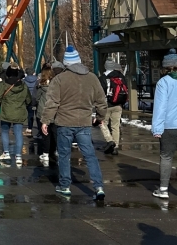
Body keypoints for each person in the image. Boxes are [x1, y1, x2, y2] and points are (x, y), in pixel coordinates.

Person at [41, 45, 107, 199]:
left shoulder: (59, 79)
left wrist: (45, 121)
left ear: (66, 63)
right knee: (90, 155)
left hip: (64, 122)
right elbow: (101, 101)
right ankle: (98, 186)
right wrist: (100, 117)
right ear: (79, 61)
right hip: (84, 122)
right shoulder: (92, 78)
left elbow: (52, 103)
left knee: (64, 155)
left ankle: (65, 185)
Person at [151, 50, 177, 199]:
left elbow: (160, 107)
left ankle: (163, 189)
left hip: (169, 126)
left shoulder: (164, 82)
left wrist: (157, 129)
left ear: (166, 67)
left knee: (166, 157)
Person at [0, 64, 32, 165]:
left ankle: (6, 152)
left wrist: (1, 105)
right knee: (18, 134)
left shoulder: (3, 85)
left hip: (6, 111)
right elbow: (28, 100)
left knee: (5, 131)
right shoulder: (23, 86)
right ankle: (18, 156)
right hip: (19, 112)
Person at [98, 68, 128, 155]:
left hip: (106, 105)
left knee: (102, 123)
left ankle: (109, 140)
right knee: (115, 126)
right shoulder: (120, 76)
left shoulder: (102, 78)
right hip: (118, 105)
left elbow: (99, 93)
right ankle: (115, 147)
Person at [35, 64, 56, 165]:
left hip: (43, 111)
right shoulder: (56, 85)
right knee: (54, 133)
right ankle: (55, 150)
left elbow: (37, 98)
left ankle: (45, 153)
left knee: (45, 134)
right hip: (54, 112)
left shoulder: (41, 86)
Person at [23, 67, 38, 135]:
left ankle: (29, 128)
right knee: (38, 115)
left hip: (28, 98)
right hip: (36, 98)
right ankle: (40, 128)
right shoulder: (38, 80)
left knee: (30, 114)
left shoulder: (23, 81)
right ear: (34, 73)